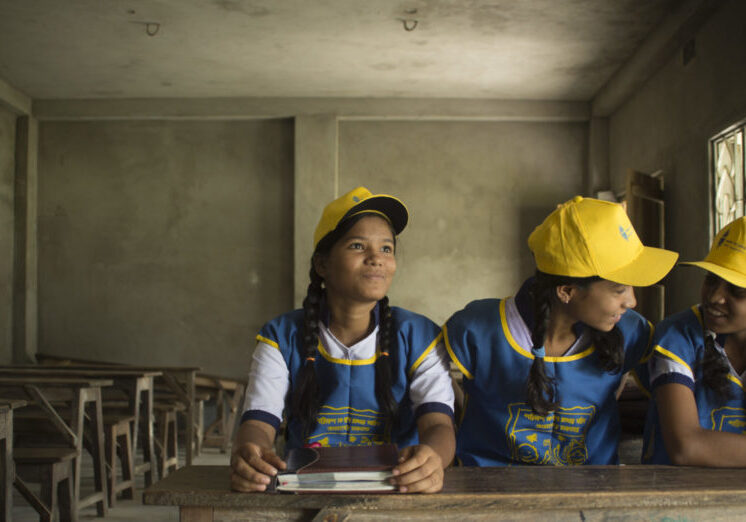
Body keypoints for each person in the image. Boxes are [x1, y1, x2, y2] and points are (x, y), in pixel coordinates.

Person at [230, 186, 455, 493]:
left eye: (387, 249)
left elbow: (439, 425)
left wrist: (434, 460)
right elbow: (258, 423)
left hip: (400, 489)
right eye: (358, 246)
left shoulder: (419, 335)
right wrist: (251, 453)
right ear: (323, 264)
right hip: (306, 488)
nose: (376, 258)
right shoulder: (281, 336)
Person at [444, 196, 678, 466]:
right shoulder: (479, 328)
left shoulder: (631, 330)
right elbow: (436, 392)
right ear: (567, 291)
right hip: (490, 492)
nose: (632, 301)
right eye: (618, 289)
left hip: (595, 491)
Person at [642, 216, 746, 466]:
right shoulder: (677, 336)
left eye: (736, 290)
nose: (715, 297)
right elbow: (685, 447)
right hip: (673, 497)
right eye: (711, 279)